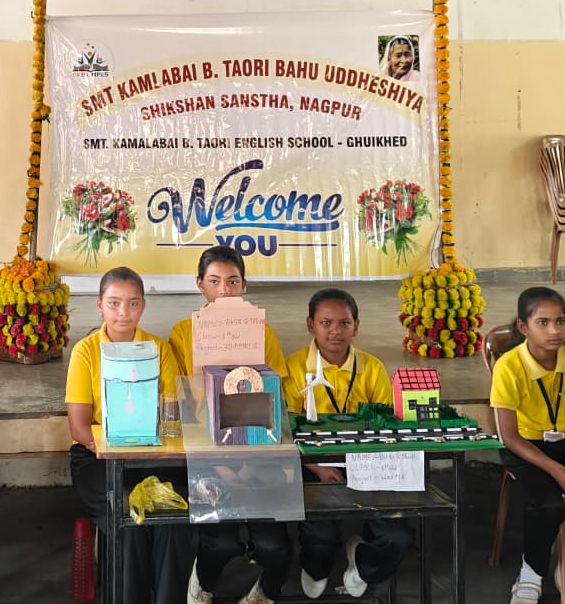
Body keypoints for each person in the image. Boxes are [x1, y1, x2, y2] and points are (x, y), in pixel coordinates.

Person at [65, 266, 192, 604]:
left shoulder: (159, 349)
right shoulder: (86, 352)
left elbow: (172, 413)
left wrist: (146, 442)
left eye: (133, 303)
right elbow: (79, 427)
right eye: (114, 303)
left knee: (173, 519)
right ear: (99, 306)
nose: (124, 312)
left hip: (154, 453)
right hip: (97, 457)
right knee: (127, 520)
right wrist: (113, 447)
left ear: (144, 306)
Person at [172, 246, 289, 604]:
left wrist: (251, 464)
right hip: (207, 455)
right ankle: (203, 584)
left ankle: (263, 594)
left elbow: (276, 401)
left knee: (276, 546)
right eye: (214, 281)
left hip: (258, 452)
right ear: (200, 286)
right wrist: (221, 466)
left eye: (233, 281)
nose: (224, 290)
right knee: (220, 542)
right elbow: (182, 411)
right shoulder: (182, 333)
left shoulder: (262, 332)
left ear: (245, 285)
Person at [284, 288, 405, 599]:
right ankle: (317, 566)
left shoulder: (372, 367)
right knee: (319, 532)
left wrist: (370, 466)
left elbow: (386, 426)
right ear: (310, 324)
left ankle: (363, 561)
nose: (335, 332)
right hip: (313, 460)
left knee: (397, 534)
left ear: (357, 326)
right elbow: (286, 431)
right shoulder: (294, 368)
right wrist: (319, 468)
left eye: (344, 323)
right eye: (326, 323)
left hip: (367, 459)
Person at [490, 286, 565, 604]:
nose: (555, 330)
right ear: (524, 327)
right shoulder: (509, 366)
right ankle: (531, 573)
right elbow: (509, 436)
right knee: (546, 504)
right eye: (543, 322)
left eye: (560, 321)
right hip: (526, 446)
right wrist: (559, 471)